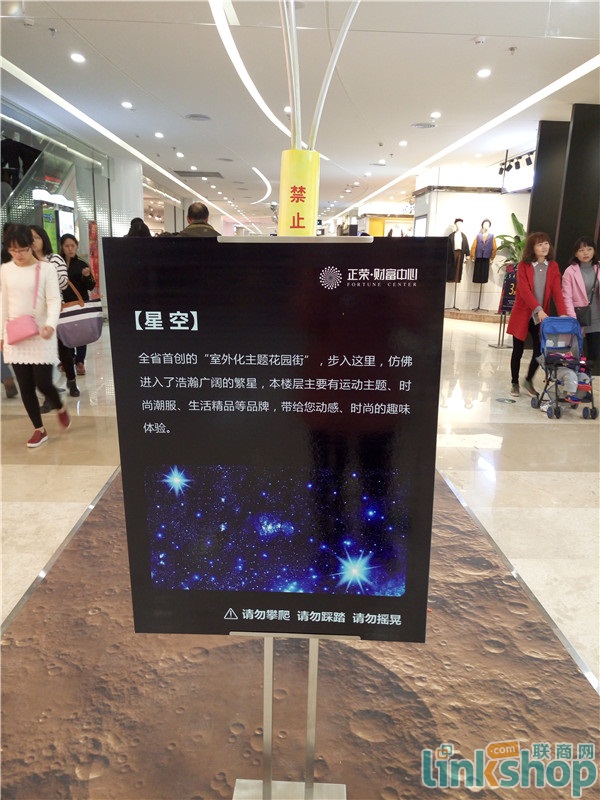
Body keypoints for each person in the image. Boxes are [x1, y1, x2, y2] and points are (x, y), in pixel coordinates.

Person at [0, 224, 70, 447]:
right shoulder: (5, 270)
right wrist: (1, 334)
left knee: (43, 383)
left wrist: (50, 324)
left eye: (21, 249)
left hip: (41, 333)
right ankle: (39, 429)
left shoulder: (46, 269)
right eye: (12, 250)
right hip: (15, 335)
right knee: (25, 386)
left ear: (31, 246)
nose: (18, 254)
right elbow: (3, 304)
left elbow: (54, 300)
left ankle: (59, 405)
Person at [507, 232, 567, 397]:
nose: (544, 247)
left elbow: (557, 292)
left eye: (546, 243)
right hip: (523, 313)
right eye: (540, 244)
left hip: (540, 316)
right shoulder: (524, 266)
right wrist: (538, 309)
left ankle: (528, 380)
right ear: (532, 248)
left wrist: (563, 313)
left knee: (539, 351)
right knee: (518, 350)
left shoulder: (553, 266)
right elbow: (525, 291)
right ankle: (514, 382)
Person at [30, 225, 80, 399]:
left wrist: (46, 269)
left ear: (44, 239)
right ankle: (47, 388)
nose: (33, 241)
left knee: (63, 348)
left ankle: (71, 380)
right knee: (40, 352)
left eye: (37, 237)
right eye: (30, 238)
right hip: (34, 313)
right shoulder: (26, 262)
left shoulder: (54, 259)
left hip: (54, 310)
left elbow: (64, 284)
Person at [562, 236, 600, 373]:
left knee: (594, 353)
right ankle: (575, 379)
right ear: (576, 253)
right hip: (578, 318)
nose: (586, 253)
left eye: (589, 249)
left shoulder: (598, 267)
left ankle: (585, 378)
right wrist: (572, 318)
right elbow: (566, 297)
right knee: (576, 354)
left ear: (594, 251)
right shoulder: (570, 271)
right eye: (581, 250)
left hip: (596, 318)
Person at [59, 233, 95, 376]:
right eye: (67, 246)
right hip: (62, 304)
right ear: (62, 247)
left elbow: (91, 286)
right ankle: (68, 358)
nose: (70, 249)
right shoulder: (56, 263)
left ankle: (80, 361)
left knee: (81, 333)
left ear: (76, 246)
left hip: (80, 304)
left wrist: (87, 276)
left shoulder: (82, 263)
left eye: (72, 246)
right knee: (65, 333)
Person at [470, 219, 497, 284]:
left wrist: (492, 257)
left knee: (484, 273)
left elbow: (494, 248)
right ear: (482, 226)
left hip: (486, 257)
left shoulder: (492, 236)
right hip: (478, 257)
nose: (486, 226)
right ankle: (477, 281)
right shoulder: (478, 236)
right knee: (477, 273)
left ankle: (483, 281)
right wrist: (472, 256)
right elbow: (473, 246)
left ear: (489, 226)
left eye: (487, 224)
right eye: (485, 224)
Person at [447, 218, 470, 283]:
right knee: (452, 266)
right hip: (452, 252)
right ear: (455, 225)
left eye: (460, 224)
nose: (459, 225)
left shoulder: (463, 236)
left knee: (458, 267)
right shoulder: (451, 236)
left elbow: (466, 245)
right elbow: (448, 246)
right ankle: (451, 279)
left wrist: (467, 255)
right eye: (457, 224)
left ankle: (457, 279)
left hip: (460, 253)